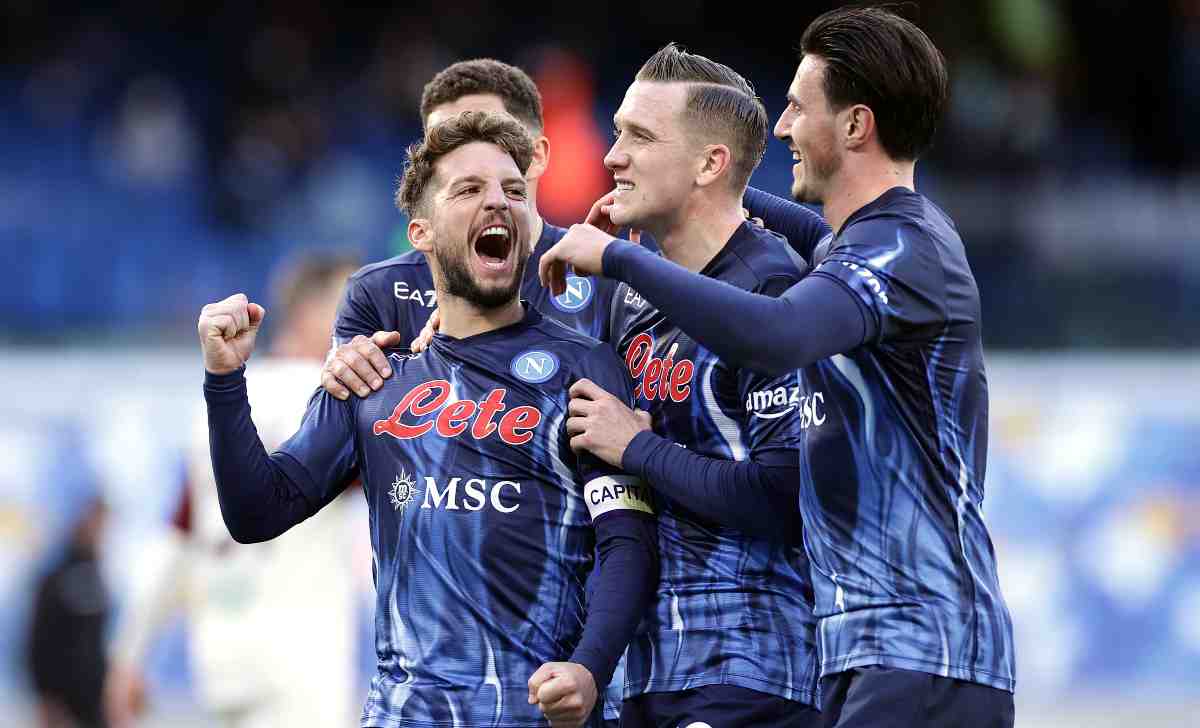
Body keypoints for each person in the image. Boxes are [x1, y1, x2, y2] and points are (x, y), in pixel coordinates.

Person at [539, 8, 1016, 727]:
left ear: (854, 126)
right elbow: (781, 226)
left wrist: (619, 258)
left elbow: (776, 333)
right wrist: (676, 190)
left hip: (925, 648)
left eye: (797, 106)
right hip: (869, 655)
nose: (784, 127)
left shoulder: (901, 247)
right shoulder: (861, 246)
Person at [198, 111, 658, 728]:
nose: (498, 201)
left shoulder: (585, 367)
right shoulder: (373, 377)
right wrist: (225, 379)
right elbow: (256, 513)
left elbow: (628, 540)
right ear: (422, 232)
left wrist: (589, 668)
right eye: (469, 190)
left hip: (534, 713)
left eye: (513, 190)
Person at [562, 44, 820, 726]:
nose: (612, 157)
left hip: (750, 671)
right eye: (617, 132)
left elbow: (785, 499)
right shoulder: (629, 293)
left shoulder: (772, 290)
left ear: (710, 164)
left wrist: (638, 449)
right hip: (645, 675)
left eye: (640, 138)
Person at [104, 255, 364, 728]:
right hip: (302, 658)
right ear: (310, 312)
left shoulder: (223, 402)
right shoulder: (339, 399)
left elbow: (178, 542)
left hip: (225, 656)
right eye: (353, 305)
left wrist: (128, 654)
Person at [26, 497, 111, 728]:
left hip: (96, 702)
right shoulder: (57, 576)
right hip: (64, 702)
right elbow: (39, 640)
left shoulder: (99, 576)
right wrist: (46, 697)